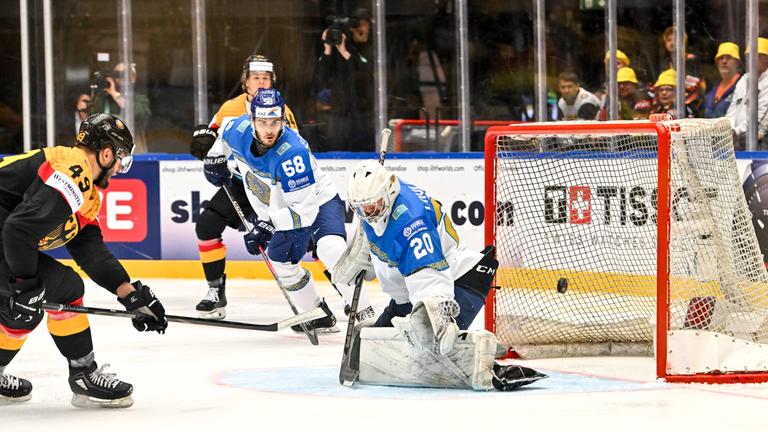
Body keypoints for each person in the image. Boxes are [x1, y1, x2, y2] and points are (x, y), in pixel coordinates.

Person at [330, 160, 546, 391]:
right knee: (373, 350)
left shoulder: (412, 223)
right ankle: (465, 348)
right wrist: (372, 252)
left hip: (458, 282)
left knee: (427, 351)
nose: (368, 213)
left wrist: (436, 315)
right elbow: (380, 228)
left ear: (389, 192)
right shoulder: (382, 195)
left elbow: (430, 275)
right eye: (362, 208)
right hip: (410, 293)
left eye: (372, 206)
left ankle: (489, 365)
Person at [0, 113, 168, 407]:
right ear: (106, 153)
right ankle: (83, 375)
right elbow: (17, 231)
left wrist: (129, 294)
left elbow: (89, 250)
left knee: (29, 303)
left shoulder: (84, 188)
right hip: (6, 238)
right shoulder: (72, 172)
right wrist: (26, 285)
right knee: (58, 290)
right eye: (121, 159)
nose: (119, 168)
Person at [202, 89, 375, 333]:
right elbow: (223, 134)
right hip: (281, 211)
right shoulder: (236, 128)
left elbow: (303, 210)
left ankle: (365, 313)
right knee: (281, 262)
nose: (269, 129)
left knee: (329, 249)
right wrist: (214, 158)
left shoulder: (292, 153)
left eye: (275, 122)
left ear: (283, 119)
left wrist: (269, 225)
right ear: (251, 120)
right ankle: (316, 314)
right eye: (262, 122)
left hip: (318, 202)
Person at [189, 54, 298, 320]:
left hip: (275, 188)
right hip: (241, 183)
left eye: (266, 78)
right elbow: (212, 138)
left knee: (309, 238)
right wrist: (203, 144)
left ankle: (338, 291)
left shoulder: (281, 110)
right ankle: (215, 291)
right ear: (245, 83)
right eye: (255, 78)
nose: (261, 82)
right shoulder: (230, 108)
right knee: (206, 226)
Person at [316, 7, 375, 151]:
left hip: (363, 115)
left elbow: (366, 72)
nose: (361, 29)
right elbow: (320, 77)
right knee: (336, 150)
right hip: (338, 116)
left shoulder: (373, 47)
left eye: (364, 25)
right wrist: (328, 48)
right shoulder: (341, 44)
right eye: (357, 25)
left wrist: (344, 52)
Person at [90, 63, 151, 153]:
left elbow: (139, 114)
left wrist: (115, 94)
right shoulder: (105, 99)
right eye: (117, 74)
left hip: (134, 153)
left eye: (124, 74)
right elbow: (93, 119)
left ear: (133, 78)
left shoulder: (139, 99)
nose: (120, 77)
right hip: (109, 153)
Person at [726, 37, 768, 147]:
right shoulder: (745, 79)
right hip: (739, 139)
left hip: (760, 143)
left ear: (766, 58)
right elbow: (733, 107)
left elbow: (759, 113)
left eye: (756, 56)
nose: (751, 60)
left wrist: (736, 131)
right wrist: (727, 129)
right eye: (749, 56)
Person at [703, 42, 742, 119]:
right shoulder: (711, 87)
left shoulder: (743, 85)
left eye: (729, 58)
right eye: (721, 58)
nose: (724, 61)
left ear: (737, 62)